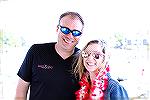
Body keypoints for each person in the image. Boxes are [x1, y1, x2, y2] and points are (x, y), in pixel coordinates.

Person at [15, 11, 84, 100]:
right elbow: (20, 92)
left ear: (80, 35)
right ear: (57, 29)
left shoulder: (84, 60)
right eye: (65, 30)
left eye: (76, 32)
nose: (70, 36)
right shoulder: (36, 51)